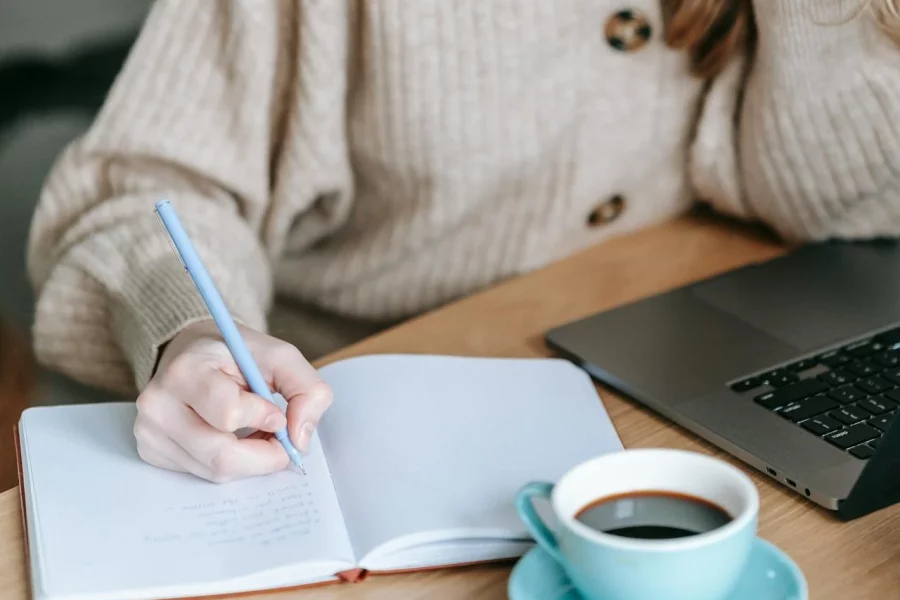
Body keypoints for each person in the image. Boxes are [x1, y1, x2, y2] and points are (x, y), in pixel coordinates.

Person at [26, 0, 900, 483]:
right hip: (339, 412)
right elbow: (134, 190)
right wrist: (192, 327)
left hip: (675, 386)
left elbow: (838, 199)